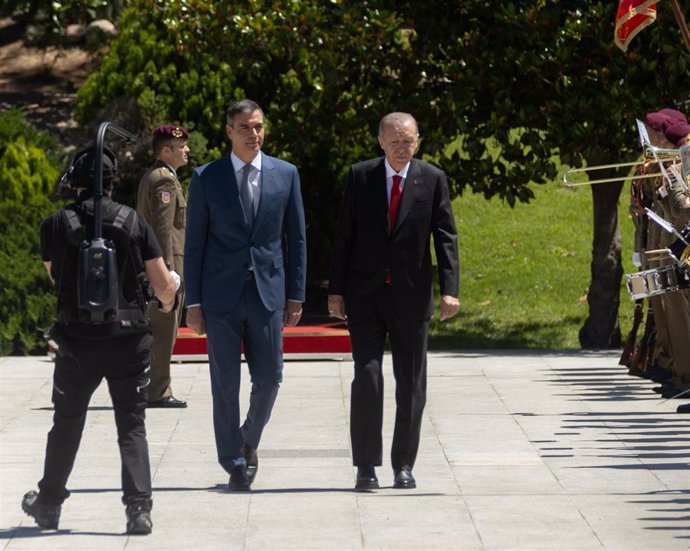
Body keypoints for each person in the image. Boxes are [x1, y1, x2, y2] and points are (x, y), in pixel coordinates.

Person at [22, 146, 178, 534]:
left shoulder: (54, 224)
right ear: (111, 182)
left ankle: (50, 504)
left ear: (75, 180)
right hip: (129, 340)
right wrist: (167, 294)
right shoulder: (134, 221)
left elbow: (57, 280)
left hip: (77, 340)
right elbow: (162, 286)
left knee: (67, 421)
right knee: (132, 423)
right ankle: (138, 509)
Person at [328, 112, 460, 490]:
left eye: (409, 140)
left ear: (417, 141)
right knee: (367, 377)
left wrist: (450, 289)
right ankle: (366, 466)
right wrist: (336, 291)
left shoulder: (432, 179)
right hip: (365, 296)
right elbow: (344, 236)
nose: (403, 147)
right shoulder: (361, 176)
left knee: (411, 383)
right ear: (381, 142)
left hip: (411, 296)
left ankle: (404, 463)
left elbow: (445, 236)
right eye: (395, 141)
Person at [184, 99, 307, 491]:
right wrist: (194, 303)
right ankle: (234, 461)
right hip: (220, 296)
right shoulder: (207, 177)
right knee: (225, 383)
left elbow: (297, 239)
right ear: (229, 131)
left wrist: (296, 294)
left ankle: (248, 439)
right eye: (245, 128)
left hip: (268, 293)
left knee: (270, 377)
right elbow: (195, 244)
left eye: (259, 127)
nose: (254, 134)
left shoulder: (286, 174)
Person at [137, 124, 190, 408]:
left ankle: (153, 387)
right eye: (182, 147)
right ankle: (158, 391)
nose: (187, 151)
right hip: (166, 266)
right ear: (166, 150)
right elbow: (162, 229)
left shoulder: (154, 175)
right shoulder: (164, 181)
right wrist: (167, 272)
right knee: (163, 330)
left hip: (157, 264)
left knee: (159, 330)